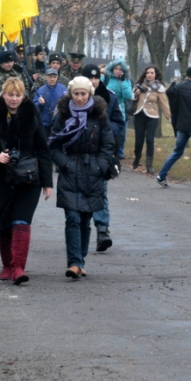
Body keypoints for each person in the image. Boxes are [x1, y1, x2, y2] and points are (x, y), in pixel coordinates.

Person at [0, 78, 53, 284]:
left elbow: (43, 149)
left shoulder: (32, 113)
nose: (14, 99)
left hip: (29, 178)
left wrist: (47, 183)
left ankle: (18, 266)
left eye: (18, 95)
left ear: (23, 95)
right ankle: (7, 265)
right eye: (10, 94)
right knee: (4, 222)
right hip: (0, 177)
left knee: (21, 220)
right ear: (4, 94)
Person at [49, 77, 114, 279]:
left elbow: (108, 144)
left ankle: (80, 261)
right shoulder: (62, 114)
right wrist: (65, 164)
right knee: (72, 218)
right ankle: (74, 263)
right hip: (70, 171)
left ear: (89, 94)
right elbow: (53, 143)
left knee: (85, 218)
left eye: (83, 94)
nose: (79, 98)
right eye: (76, 94)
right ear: (70, 94)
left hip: (91, 172)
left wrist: (99, 166)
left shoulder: (100, 115)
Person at [80, 64, 124, 252]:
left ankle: (102, 231)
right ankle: (80, 230)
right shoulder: (75, 98)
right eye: (89, 78)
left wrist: (104, 131)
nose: (93, 81)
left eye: (96, 78)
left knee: (100, 191)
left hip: (102, 154)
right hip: (79, 154)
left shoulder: (109, 98)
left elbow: (118, 123)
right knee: (80, 192)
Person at [155, 66, 191, 190]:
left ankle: (161, 175)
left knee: (177, 152)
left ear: (187, 75)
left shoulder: (178, 88)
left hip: (181, 126)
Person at [130, 65, 170, 174]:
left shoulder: (159, 88)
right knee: (139, 141)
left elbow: (164, 104)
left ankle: (149, 165)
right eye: (148, 73)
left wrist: (169, 118)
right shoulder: (139, 85)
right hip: (139, 115)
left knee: (150, 140)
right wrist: (136, 94)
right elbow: (132, 98)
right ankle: (137, 158)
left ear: (155, 74)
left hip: (152, 117)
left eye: (152, 73)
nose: (149, 75)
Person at [103, 58, 133, 159]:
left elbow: (128, 96)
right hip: (106, 108)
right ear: (112, 69)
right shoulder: (106, 78)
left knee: (122, 133)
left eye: (120, 69)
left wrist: (123, 81)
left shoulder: (126, 80)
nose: (118, 71)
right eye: (116, 68)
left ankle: (119, 152)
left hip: (120, 109)